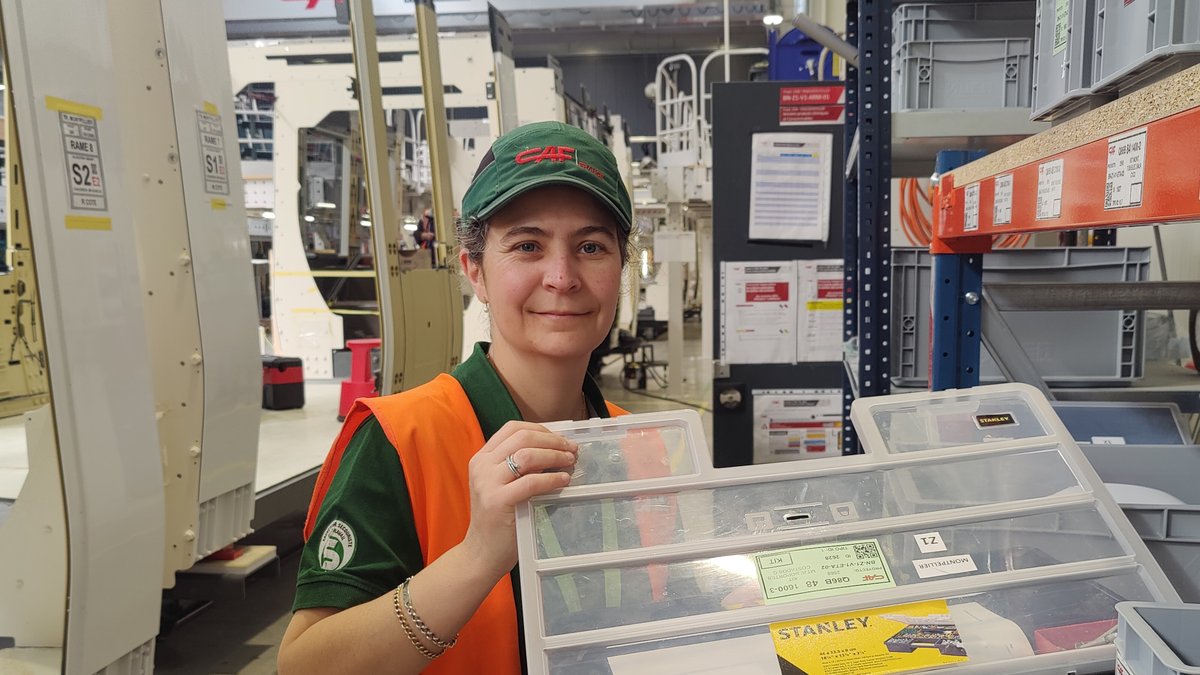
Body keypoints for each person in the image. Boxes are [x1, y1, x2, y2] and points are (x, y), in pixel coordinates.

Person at [278, 121, 635, 675]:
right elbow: (305, 666)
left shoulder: (639, 446)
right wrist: (476, 557)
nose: (562, 277)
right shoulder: (401, 439)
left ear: (620, 271)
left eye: (591, 246)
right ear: (476, 271)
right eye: (527, 246)